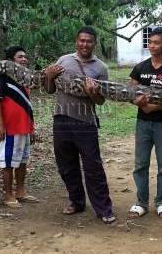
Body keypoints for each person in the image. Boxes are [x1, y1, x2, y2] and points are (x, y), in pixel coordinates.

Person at [44, 27, 116, 224]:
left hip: (85, 122)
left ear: (94, 43)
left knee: (93, 166)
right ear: (76, 41)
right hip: (61, 119)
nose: (85, 44)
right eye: (82, 40)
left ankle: (104, 209)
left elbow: (100, 101)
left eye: (89, 41)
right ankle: (76, 202)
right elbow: (50, 90)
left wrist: (92, 92)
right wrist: (49, 76)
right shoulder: (63, 60)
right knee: (66, 165)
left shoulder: (100, 68)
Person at [127, 27, 162, 219]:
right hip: (142, 123)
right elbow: (129, 94)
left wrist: (155, 107)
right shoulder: (140, 68)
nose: (152, 46)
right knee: (140, 164)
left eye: (157, 43)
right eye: (150, 42)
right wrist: (138, 102)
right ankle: (141, 203)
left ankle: (161, 203)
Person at [0, 46, 38, 208]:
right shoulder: (1, 78)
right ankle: (8, 195)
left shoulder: (25, 79)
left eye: (25, 56)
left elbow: (27, 106)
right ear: (11, 61)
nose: (24, 59)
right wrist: (0, 124)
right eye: (20, 57)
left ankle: (20, 191)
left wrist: (32, 128)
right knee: (8, 163)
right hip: (9, 128)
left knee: (22, 161)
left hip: (24, 128)